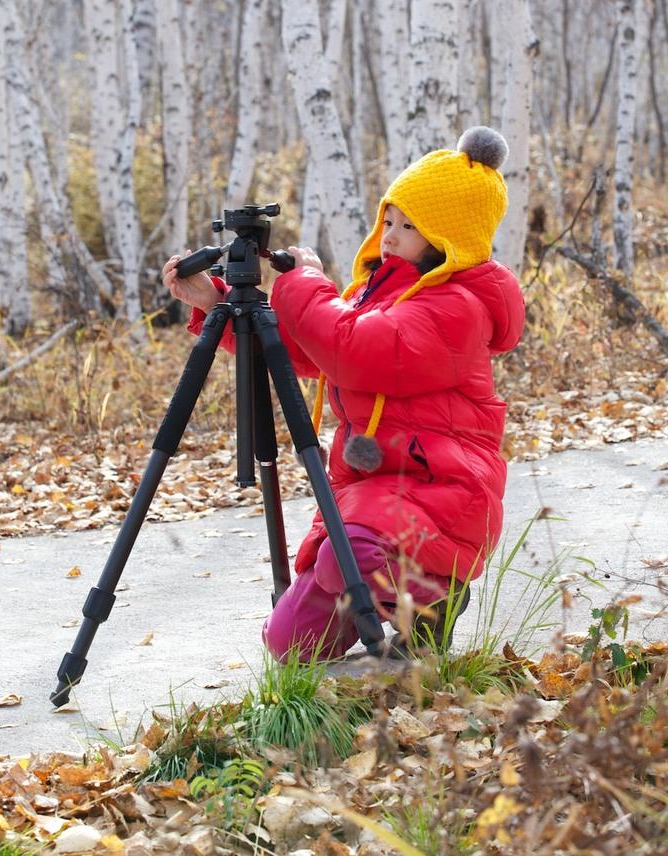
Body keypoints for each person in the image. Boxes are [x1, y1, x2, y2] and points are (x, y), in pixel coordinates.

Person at [162, 126, 525, 662]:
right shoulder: (379, 290)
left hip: (436, 487)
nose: (389, 236)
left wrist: (306, 281)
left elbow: (351, 349)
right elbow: (311, 351)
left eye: (408, 227)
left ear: (449, 239)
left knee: (351, 551)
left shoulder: (455, 308)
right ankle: (384, 595)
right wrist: (217, 302)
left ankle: (433, 599)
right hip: (372, 490)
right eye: (388, 220)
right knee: (289, 645)